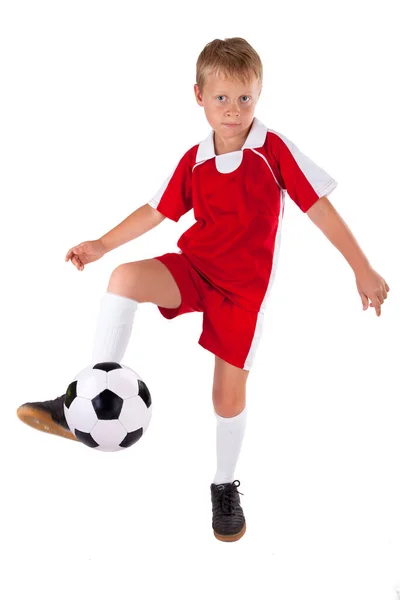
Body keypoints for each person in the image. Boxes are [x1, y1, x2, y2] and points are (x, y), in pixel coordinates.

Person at [16, 37, 390, 543]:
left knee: (225, 396)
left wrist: (361, 268)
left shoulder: (273, 150)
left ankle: (222, 485)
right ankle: (83, 397)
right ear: (199, 96)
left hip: (241, 296)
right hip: (194, 269)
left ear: (259, 96)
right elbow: (156, 211)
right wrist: (102, 243)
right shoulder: (194, 158)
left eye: (245, 99)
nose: (234, 110)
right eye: (222, 99)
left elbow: (319, 208)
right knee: (124, 277)